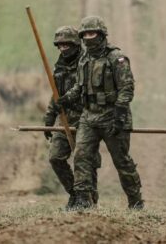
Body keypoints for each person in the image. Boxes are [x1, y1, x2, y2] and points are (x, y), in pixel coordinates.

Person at [59, 16, 143, 210]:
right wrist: (66, 98)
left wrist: (120, 116)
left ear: (101, 34)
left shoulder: (117, 58)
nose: (89, 37)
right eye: (85, 34)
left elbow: (127, 88)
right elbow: (79, 87)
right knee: (81, 156)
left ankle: (135, 201)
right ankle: (83, 200)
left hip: (112, 117)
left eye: (92, 33)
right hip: (89, 117)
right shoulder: (84, 60)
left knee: (121, 161)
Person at [43, 26, 100, 209]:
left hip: (86, 118)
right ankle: (75, 194)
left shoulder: (87, 63)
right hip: (65, 119)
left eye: (66, 44)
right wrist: (49, 118)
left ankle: (87, 197)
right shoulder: (59, 67)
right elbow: (56, 94)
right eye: (59, 45)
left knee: (84, 159)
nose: (63, 48)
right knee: (55, 157)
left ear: (76, 44)